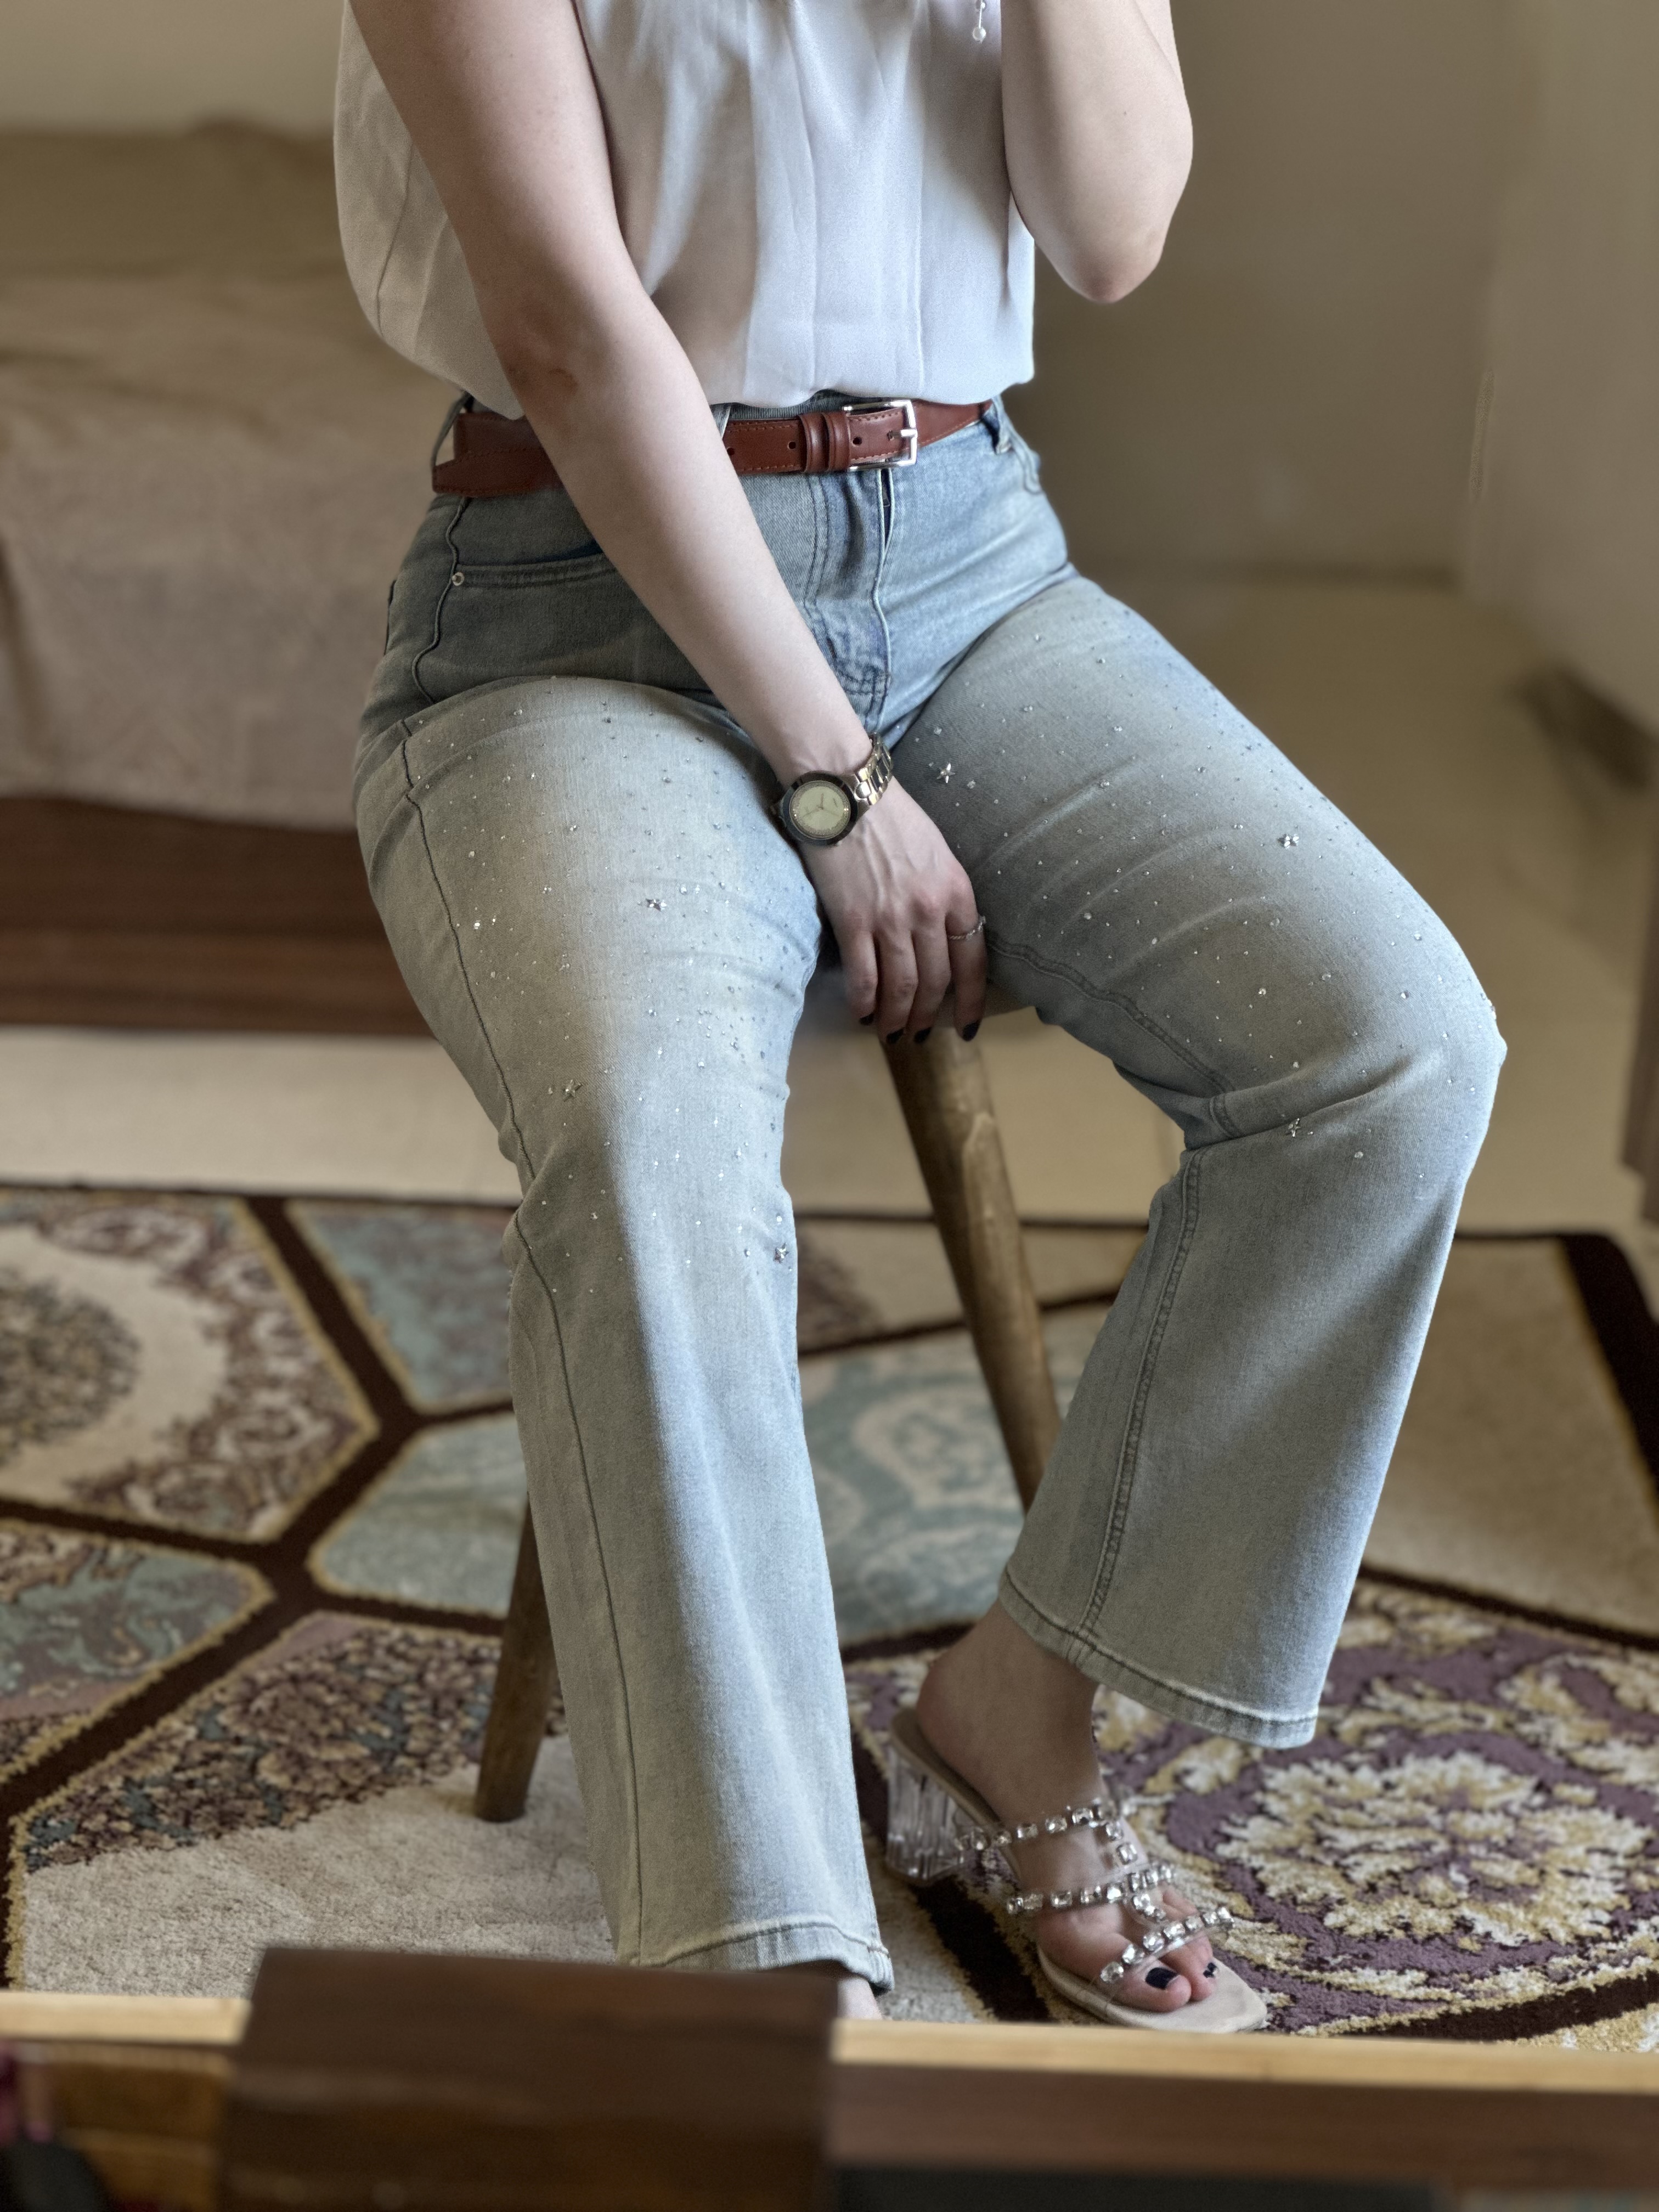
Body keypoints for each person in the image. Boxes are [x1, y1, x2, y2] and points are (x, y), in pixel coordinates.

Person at [338, 0, 1503, 2029]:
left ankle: (1014, 1717)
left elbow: (1112, 234)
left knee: (1390, 1047)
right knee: (654, 1147)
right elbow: (569, 336)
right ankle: (769, 1960)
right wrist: (836, 782)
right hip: (570, 615)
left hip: (969, 572)